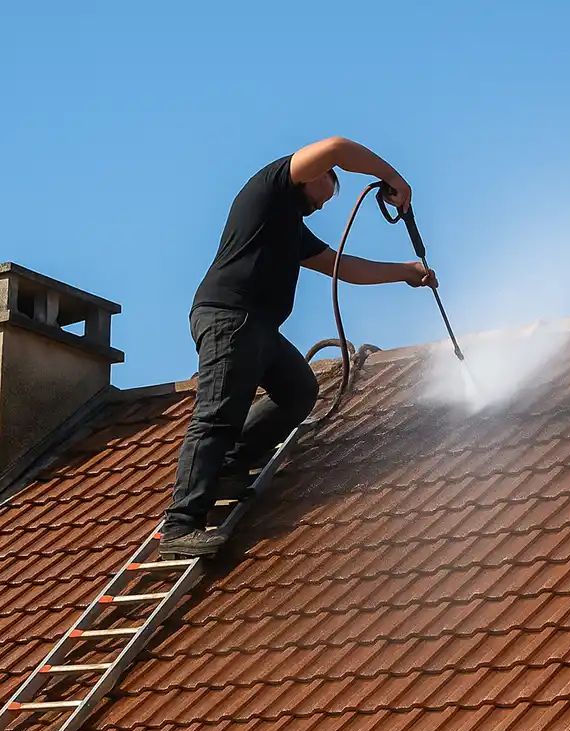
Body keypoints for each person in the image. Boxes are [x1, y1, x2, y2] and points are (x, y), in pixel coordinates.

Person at [159, 137, 438, 558]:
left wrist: (405, 272)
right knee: (218, 414)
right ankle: (181, 526)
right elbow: (339, 147)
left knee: (298, 391)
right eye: (326, 192)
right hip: (228, 317)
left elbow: (343, 267)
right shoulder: (271, 188)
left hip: (259, 326)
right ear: (315, 175)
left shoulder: (290, 226)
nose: (323, 207)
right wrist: (392, 177)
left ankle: (228, 469)